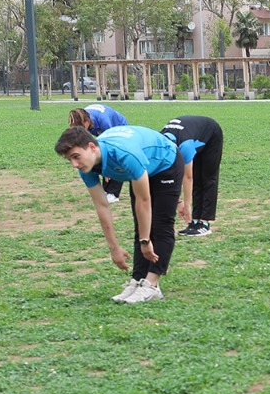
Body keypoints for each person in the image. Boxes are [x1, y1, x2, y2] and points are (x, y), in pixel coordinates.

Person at [55, 124, 181, 304]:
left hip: (165, 162)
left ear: (92, 147)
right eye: (70, 160)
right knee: (141, 224)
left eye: (76, 157)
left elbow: (143, 200)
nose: (74, 164)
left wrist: (146, 241)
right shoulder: (87, 166)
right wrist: (114, 247)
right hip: (141, 166)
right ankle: (138, 280)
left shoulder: (125, 155)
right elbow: (102, 205)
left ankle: (152, 285)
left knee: (160, 225)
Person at [160, 115, 224, 237]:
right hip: (193, 133)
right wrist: (178, 202)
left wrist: (187, 205)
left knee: (208, 178)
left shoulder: (185, 146)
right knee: (197, 179)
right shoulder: (159, 141)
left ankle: (204, 223)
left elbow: (187, 177)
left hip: (211, 134)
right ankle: (194, 222)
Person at [69, 104, 129, 204]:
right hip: (102, 132)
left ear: (87, 121)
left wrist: (107, 168)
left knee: (115, 158)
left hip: (119, 129)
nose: (82, 130)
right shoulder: (82, 117)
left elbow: (110, 143)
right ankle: (106, 191)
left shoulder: (103, 120)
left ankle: (113, 193)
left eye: (82, 127)